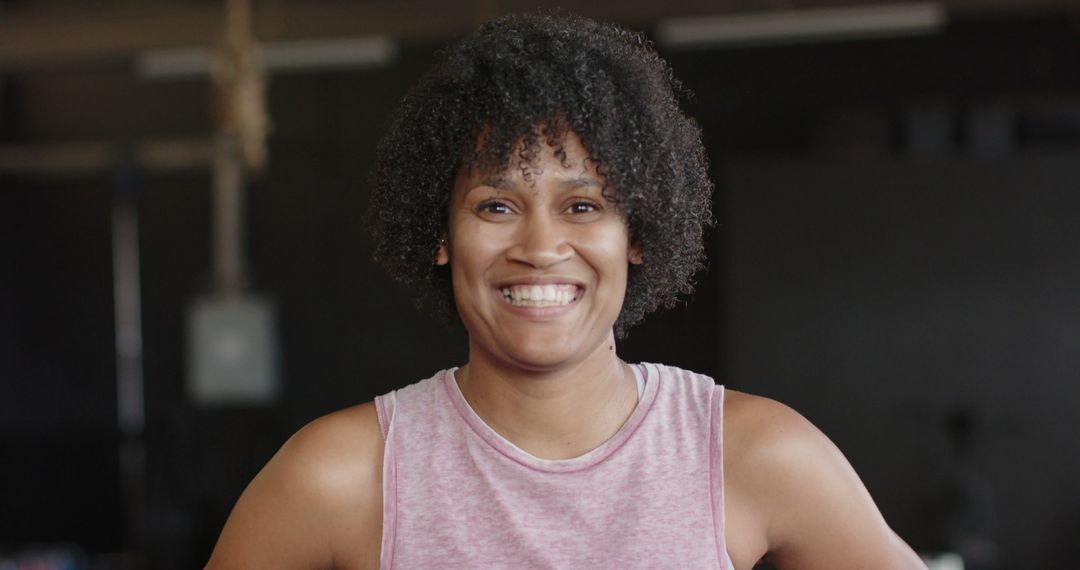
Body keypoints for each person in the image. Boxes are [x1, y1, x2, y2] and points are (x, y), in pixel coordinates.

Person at [206, 12, 926, 570]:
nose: (541, 247)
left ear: (635, 234)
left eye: (583, 206)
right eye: (495, 205)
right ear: (440, 233)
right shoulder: (339, 474)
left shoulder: (753, 453)